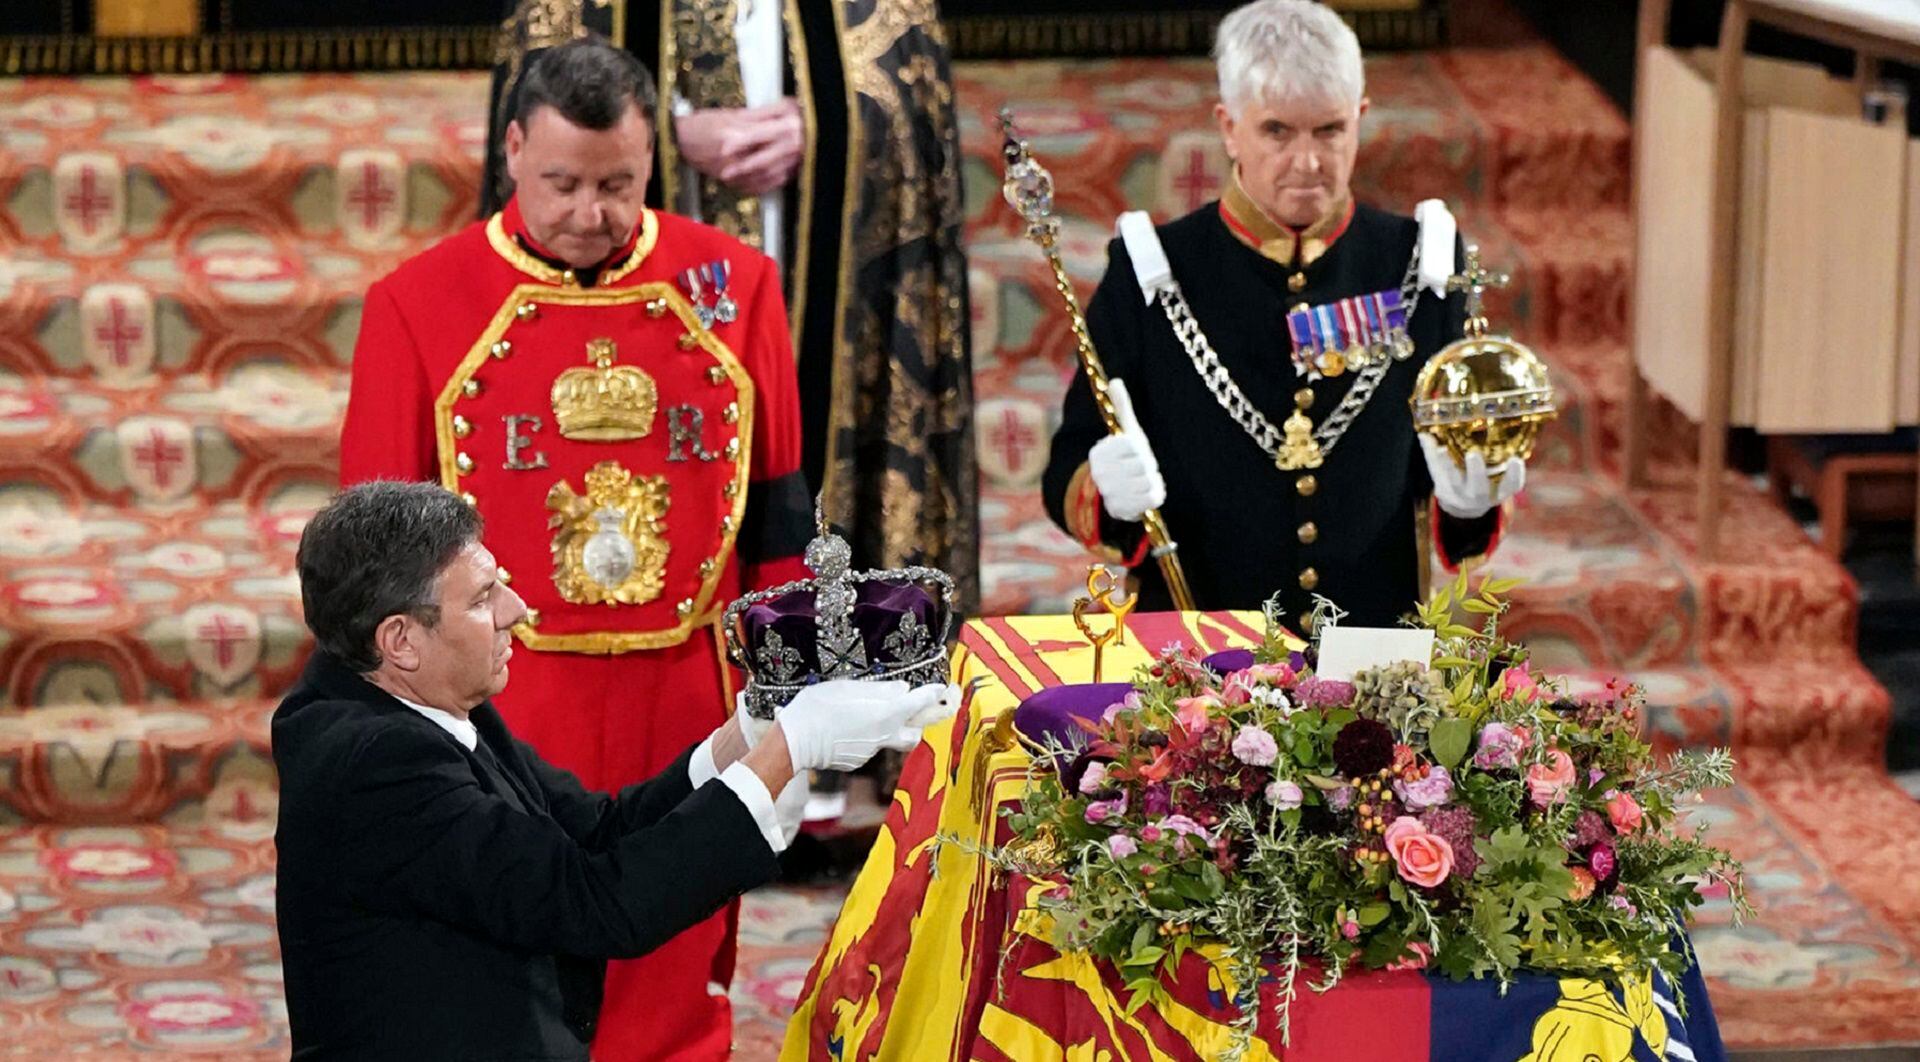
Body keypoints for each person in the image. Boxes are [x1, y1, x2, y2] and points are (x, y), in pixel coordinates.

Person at [337, 39, 811, 1060]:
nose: (590, 214)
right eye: (562, 184)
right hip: (501, 701)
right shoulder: (417, 303)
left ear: (654, 165)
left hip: (685, 689)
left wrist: (790, 698)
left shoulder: (739, 285)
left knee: (674, 976)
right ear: (511, 150)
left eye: (618, 186)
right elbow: (370, 555)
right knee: (499, 979)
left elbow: (778, 513)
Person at [274, 480, 953, 1060]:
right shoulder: (377, 767)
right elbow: (599, 905)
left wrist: (748, 735)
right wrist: (791, 751)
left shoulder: (412, 699)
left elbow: (594, 831)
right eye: (483, 599)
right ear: (400, 640)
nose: (516, 610)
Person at [1041, 0, 1526, 627]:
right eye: (1277, 131)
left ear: (1361, 119)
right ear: (1228, 126)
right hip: (1199, 649)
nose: (1307, 162)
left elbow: (1457, 493)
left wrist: (1469, 503)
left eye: (1329, 130)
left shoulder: (1420, 266)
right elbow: (1065, 471)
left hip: (1371, 644)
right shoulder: (1151, 271)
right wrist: (1107, 496)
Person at [483, 0, 980, 611]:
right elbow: (543, 94)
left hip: (808, 260)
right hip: (640, 255)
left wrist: (830, 123)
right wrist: (656, 136)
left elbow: (910, 81)